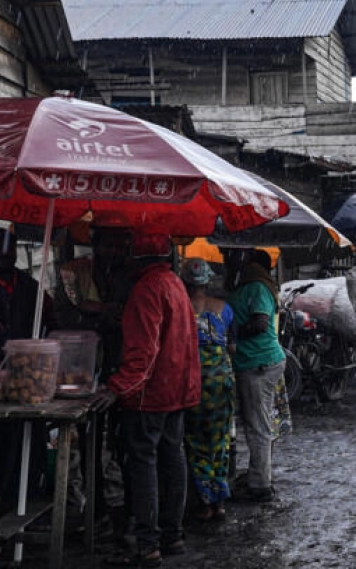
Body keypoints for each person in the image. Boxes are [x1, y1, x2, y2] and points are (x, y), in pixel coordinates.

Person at [96, 233, 200, 568]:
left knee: (144, 463)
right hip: (177, 391)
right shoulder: (174, 283)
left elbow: (143, 353)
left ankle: (148, 543)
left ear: (135, 259)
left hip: (149, 395)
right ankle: (173, 535)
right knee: (173, 459)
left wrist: (116, 387)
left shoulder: (146, 290)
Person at [53, 226, 134, 543]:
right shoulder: (73, 273)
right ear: (95, 243)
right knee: (87, 444)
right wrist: (102, 316)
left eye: (120, 244)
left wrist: (100, 313)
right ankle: (96, 509)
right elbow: (64, 315)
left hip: (124, 368)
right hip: (82, 370)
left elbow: (134, 317)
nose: (114, 251)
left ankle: (127, 513)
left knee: (124, 442)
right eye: (108, 243)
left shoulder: (131, 275)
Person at [223, 248, 285, 503]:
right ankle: (256, 475)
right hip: (256, 363)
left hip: (258, 363)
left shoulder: (258, 287)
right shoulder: (250, 286)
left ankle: (260, 484)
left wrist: (232, 336)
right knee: (256, 422)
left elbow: (260, 323)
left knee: (257, 425)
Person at [0, 227, 54, 513]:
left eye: (9, 250)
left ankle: (26, 497)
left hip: (27, 375)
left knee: (25, 442)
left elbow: (50, 317)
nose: (6, 256)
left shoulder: (29, 285)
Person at [180, 259, 235, 522]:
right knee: (221, 441)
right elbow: (232, 347)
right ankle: (219, 502)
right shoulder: (224, 308)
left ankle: (203, 504)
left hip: (194, 381)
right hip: (222, 381)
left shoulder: (181, 309)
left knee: (195, 442)